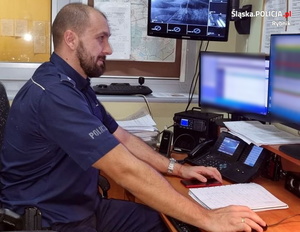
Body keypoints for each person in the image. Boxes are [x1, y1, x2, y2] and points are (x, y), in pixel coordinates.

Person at [0, 3, 267, 232]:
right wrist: (208, 218)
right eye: (101, 38)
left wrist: (179, 168)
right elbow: (124, 169)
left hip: (78, 206)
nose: (109, 48)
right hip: (50, 221)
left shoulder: (74, 85)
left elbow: (121, 136)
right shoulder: (54, 95)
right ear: (71, 40)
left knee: (157, 222)